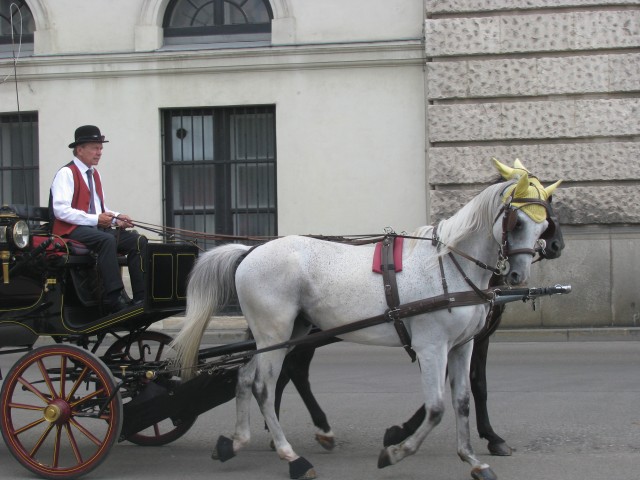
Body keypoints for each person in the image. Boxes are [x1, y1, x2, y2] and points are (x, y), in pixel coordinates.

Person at [49, 125, 147, 313]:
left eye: (101, 148)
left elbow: (100, 209)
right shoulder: (66, 173)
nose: (99, 152)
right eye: (95, 147)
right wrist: (97, 220)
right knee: (106, 240)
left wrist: (117, 218)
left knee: (138, 241)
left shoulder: (94, 174)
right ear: (79, 150)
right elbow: (61, 211)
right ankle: (114, 297)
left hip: (91, 227)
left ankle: (141, 297)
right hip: (69, 229)